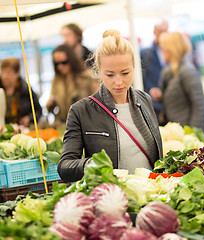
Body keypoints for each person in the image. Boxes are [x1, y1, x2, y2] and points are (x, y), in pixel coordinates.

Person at [58, 30, 163, 182]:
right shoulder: (81, 111)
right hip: (112, 198)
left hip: (151, 192)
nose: (118, 82)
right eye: (110, 74)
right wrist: (93, 164)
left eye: (125, 73)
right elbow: (65, 166)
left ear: (134, 66)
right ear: (99, 69)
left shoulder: (145, 100)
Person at [150, 32, 204, 133]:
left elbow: (199, 103)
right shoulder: (170, 71)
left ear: (171, 49)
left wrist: (193, 132)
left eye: (163, 48)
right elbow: (177, 98)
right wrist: (160, 96)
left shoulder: (187, 70)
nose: (161, 51)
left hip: (190, 131)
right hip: (180, 130)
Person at [46, 44, 98, 124]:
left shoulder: (87, 77)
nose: (60, 67)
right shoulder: (56, 80)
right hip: (65, 125)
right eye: (56, 64)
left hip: (86, 124)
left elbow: (98, 104)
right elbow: (51, 104)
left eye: (64, 62)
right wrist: (50, 104)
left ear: (71, 60)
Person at [140, 20, 168, 124]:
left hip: (168, 104)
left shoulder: (172, 52)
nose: (163, 34)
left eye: (166, 31)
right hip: (151, 104)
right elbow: (142, 78)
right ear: (154, 32)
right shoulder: (145, 53)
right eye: (161, 31)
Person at [0, 58, 42, 127]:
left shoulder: (26, 89)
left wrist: (29, 118)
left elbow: (38, 111)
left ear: (17, 73)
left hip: (23, 130)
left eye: (8, 72)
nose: (5, 76)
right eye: (3, 72)